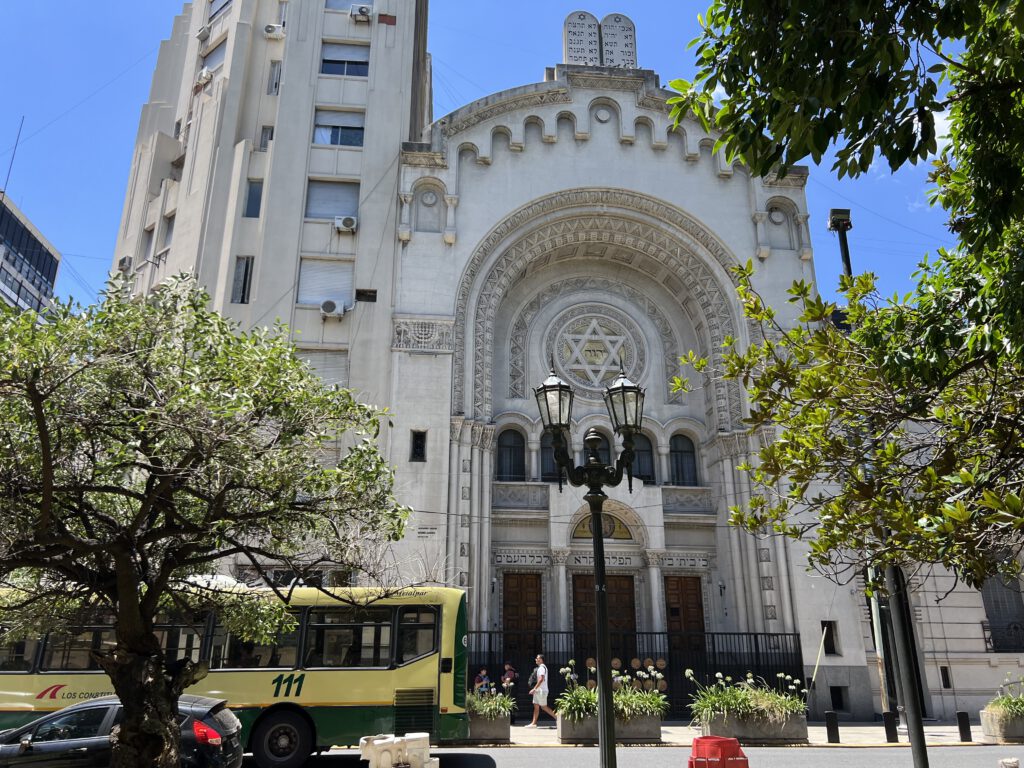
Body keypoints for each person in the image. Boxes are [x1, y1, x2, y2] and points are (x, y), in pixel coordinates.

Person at [524, 653, 556, 727]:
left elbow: (541, 679)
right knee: (536, 706)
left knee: (544, 707)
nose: (536, 659)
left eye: (537, 658)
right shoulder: (541, 667)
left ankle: (557, 718)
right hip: (539, 691)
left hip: (541, 691)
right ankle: (533, 723)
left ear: (541, 660)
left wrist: (534, 689)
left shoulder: (541, 668)